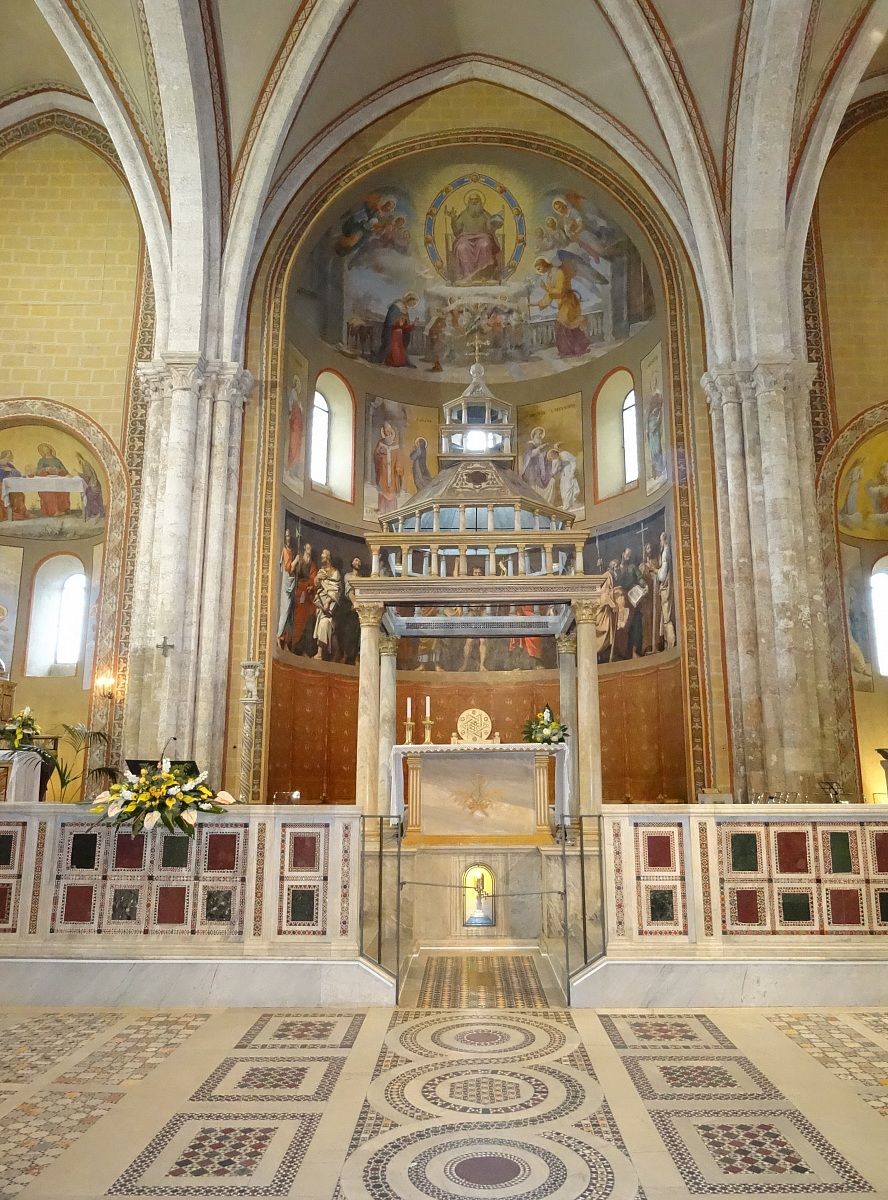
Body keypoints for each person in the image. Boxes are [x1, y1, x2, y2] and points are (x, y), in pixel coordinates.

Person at [534, 257, 591, 358]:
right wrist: (539, 303)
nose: (539, 271)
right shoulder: (550, 276)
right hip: (563, 304)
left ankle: (571, 350)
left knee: (564, 324)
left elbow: (559, 291)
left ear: (544, 265)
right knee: (566, 326)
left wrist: (545, 288)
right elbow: (549, 295)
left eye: (539, 268)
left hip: (569, 302)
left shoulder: (558, 272)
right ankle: (573, 349)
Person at [447, 191, 503, 283]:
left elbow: (490, 229)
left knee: (485, 245)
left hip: (483, 237)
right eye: (472, 200)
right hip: (465, 238)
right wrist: (453, 219)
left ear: (480, 201)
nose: (474, 202)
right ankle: (466, 275)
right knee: (462, 247)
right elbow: (457, 231)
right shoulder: (463, 215)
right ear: (468, 202)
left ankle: (484, 276)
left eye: (476, 200)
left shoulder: (485, 215)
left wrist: (495, 224)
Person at [313, 548, 342, 661]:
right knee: (327, 628)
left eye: (323, 554)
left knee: (324, 624)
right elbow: (317, 585)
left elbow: (336, 589)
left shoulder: (335, 572)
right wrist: (317, 579)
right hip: (320, 603)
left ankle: (320, 653)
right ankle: (335, 654)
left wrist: (328, 601)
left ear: (329, 557)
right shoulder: (321, 571)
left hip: (330, 605)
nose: (321, 556)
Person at [375, 292, 418, 368]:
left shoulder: (405, 310)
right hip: (392, 334)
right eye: (413, 303)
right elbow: (390, 322)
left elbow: (405, 327)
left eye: (414, 304)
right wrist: (400, 323)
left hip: (399, 336)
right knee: (393, 355)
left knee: (400, 357)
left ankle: (404, 361)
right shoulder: (396, 307)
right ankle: (381, 358)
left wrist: (413, 324)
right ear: (409, 299)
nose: (413, 306)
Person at [373, 421, 404, 515]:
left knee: (392, 488)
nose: (388, 431)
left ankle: (392, 510)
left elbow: (399, 457)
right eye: (386, 430)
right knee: (382, 487)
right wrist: (379, 453)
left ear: (392, 431)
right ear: (384, 431)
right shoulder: (380, 443)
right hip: (383, 470)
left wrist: (398, 467)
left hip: (393, 472)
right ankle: (382, 509)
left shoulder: (395, 445)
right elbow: (375, 455)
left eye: (389, 430)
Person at [277, 526, 299, 649]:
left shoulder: (291, 550)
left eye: (289, 536)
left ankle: (286, 640)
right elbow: (288, 568)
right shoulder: (285, 551)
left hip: (291, 583)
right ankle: (279, 635)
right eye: (286, 536)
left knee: (290, 612)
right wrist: (295, 561)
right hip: (287, 584)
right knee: (285, 611)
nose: (288, 538)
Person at [35, 442, 70, 517]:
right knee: (49, 492)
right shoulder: (42, 460)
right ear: (43, 452)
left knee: (63, 490)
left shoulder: (57, 460)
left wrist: (58, 470)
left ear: (50, 450)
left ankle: (62, 509)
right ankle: (54, 511)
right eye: (44, 450)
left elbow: (65, 471)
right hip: (46, 483)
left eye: (47, 449)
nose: (46, 451)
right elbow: (37, 472)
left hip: (58, 482)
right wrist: (45, 469)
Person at [657, 531, 677, 648]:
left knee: (666, 616)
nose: (660, 542)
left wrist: (655, 570)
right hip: (665, 587)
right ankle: (668, 643)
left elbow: (662, 576)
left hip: (666, 587)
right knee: (665, 615)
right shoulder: (665, 552)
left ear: (664, 540)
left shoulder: (665, 553)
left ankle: (671, 643)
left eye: (661, 540)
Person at [0, 449, 27, 521]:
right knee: (9, 495)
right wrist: (3, 471)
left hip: (9, 485)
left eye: (10, 456)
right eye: (8, 456)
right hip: (1, 486)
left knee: (19, 494)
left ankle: (20, 513)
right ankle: (12, 515)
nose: (9, 458)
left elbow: (18, 474)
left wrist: (11, 470)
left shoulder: (9, 465)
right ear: (3, 456)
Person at [76, 453, 105, 518]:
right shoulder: (84, 464)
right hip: (93, 485)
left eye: (77, 458)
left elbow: (88, 476)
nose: (77, 460)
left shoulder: (85, 464)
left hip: (94, 486)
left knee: (88, 496)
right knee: (87, 495)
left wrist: (78, 474)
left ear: (79, 457)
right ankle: (89, 513)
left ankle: (92, 513)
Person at [286, 374, 304, 476]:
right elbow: (290, 403)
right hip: (294, 419)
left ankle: (294, 469)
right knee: (293, 443)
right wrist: (290, 411)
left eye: (298, 383)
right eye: (296, 383)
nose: (297, 385)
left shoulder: (298, 397)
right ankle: (290, 466)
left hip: (298, 421)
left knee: (297, 443)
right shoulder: (293, 392)